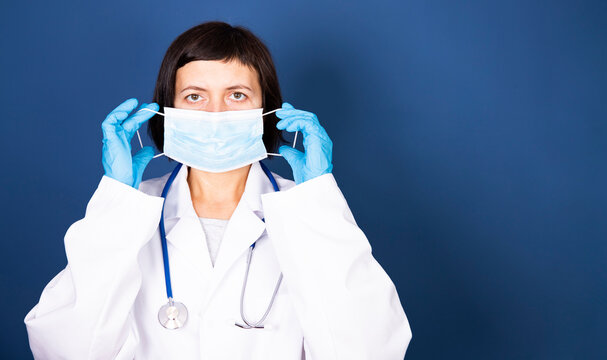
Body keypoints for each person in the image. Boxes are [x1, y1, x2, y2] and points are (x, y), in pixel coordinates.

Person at [24, 21, 411, 359]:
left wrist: (317, 205)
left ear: (267, 111)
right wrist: (118, 203)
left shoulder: (307, 214)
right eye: (194, 96)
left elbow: (370, 351)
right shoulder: (130, 212)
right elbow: (64, 349)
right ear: (166, 110)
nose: (216, 113)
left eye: (237, 95)